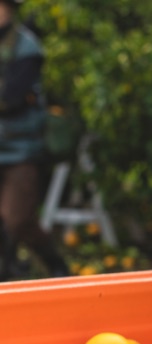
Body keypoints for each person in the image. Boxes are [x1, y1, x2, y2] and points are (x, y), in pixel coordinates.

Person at [0, 0, 68, 281]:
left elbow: (10, 98)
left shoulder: (27, 48)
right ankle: (9, 271)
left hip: (20, 150)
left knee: (17, 218)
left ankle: (55, 265)